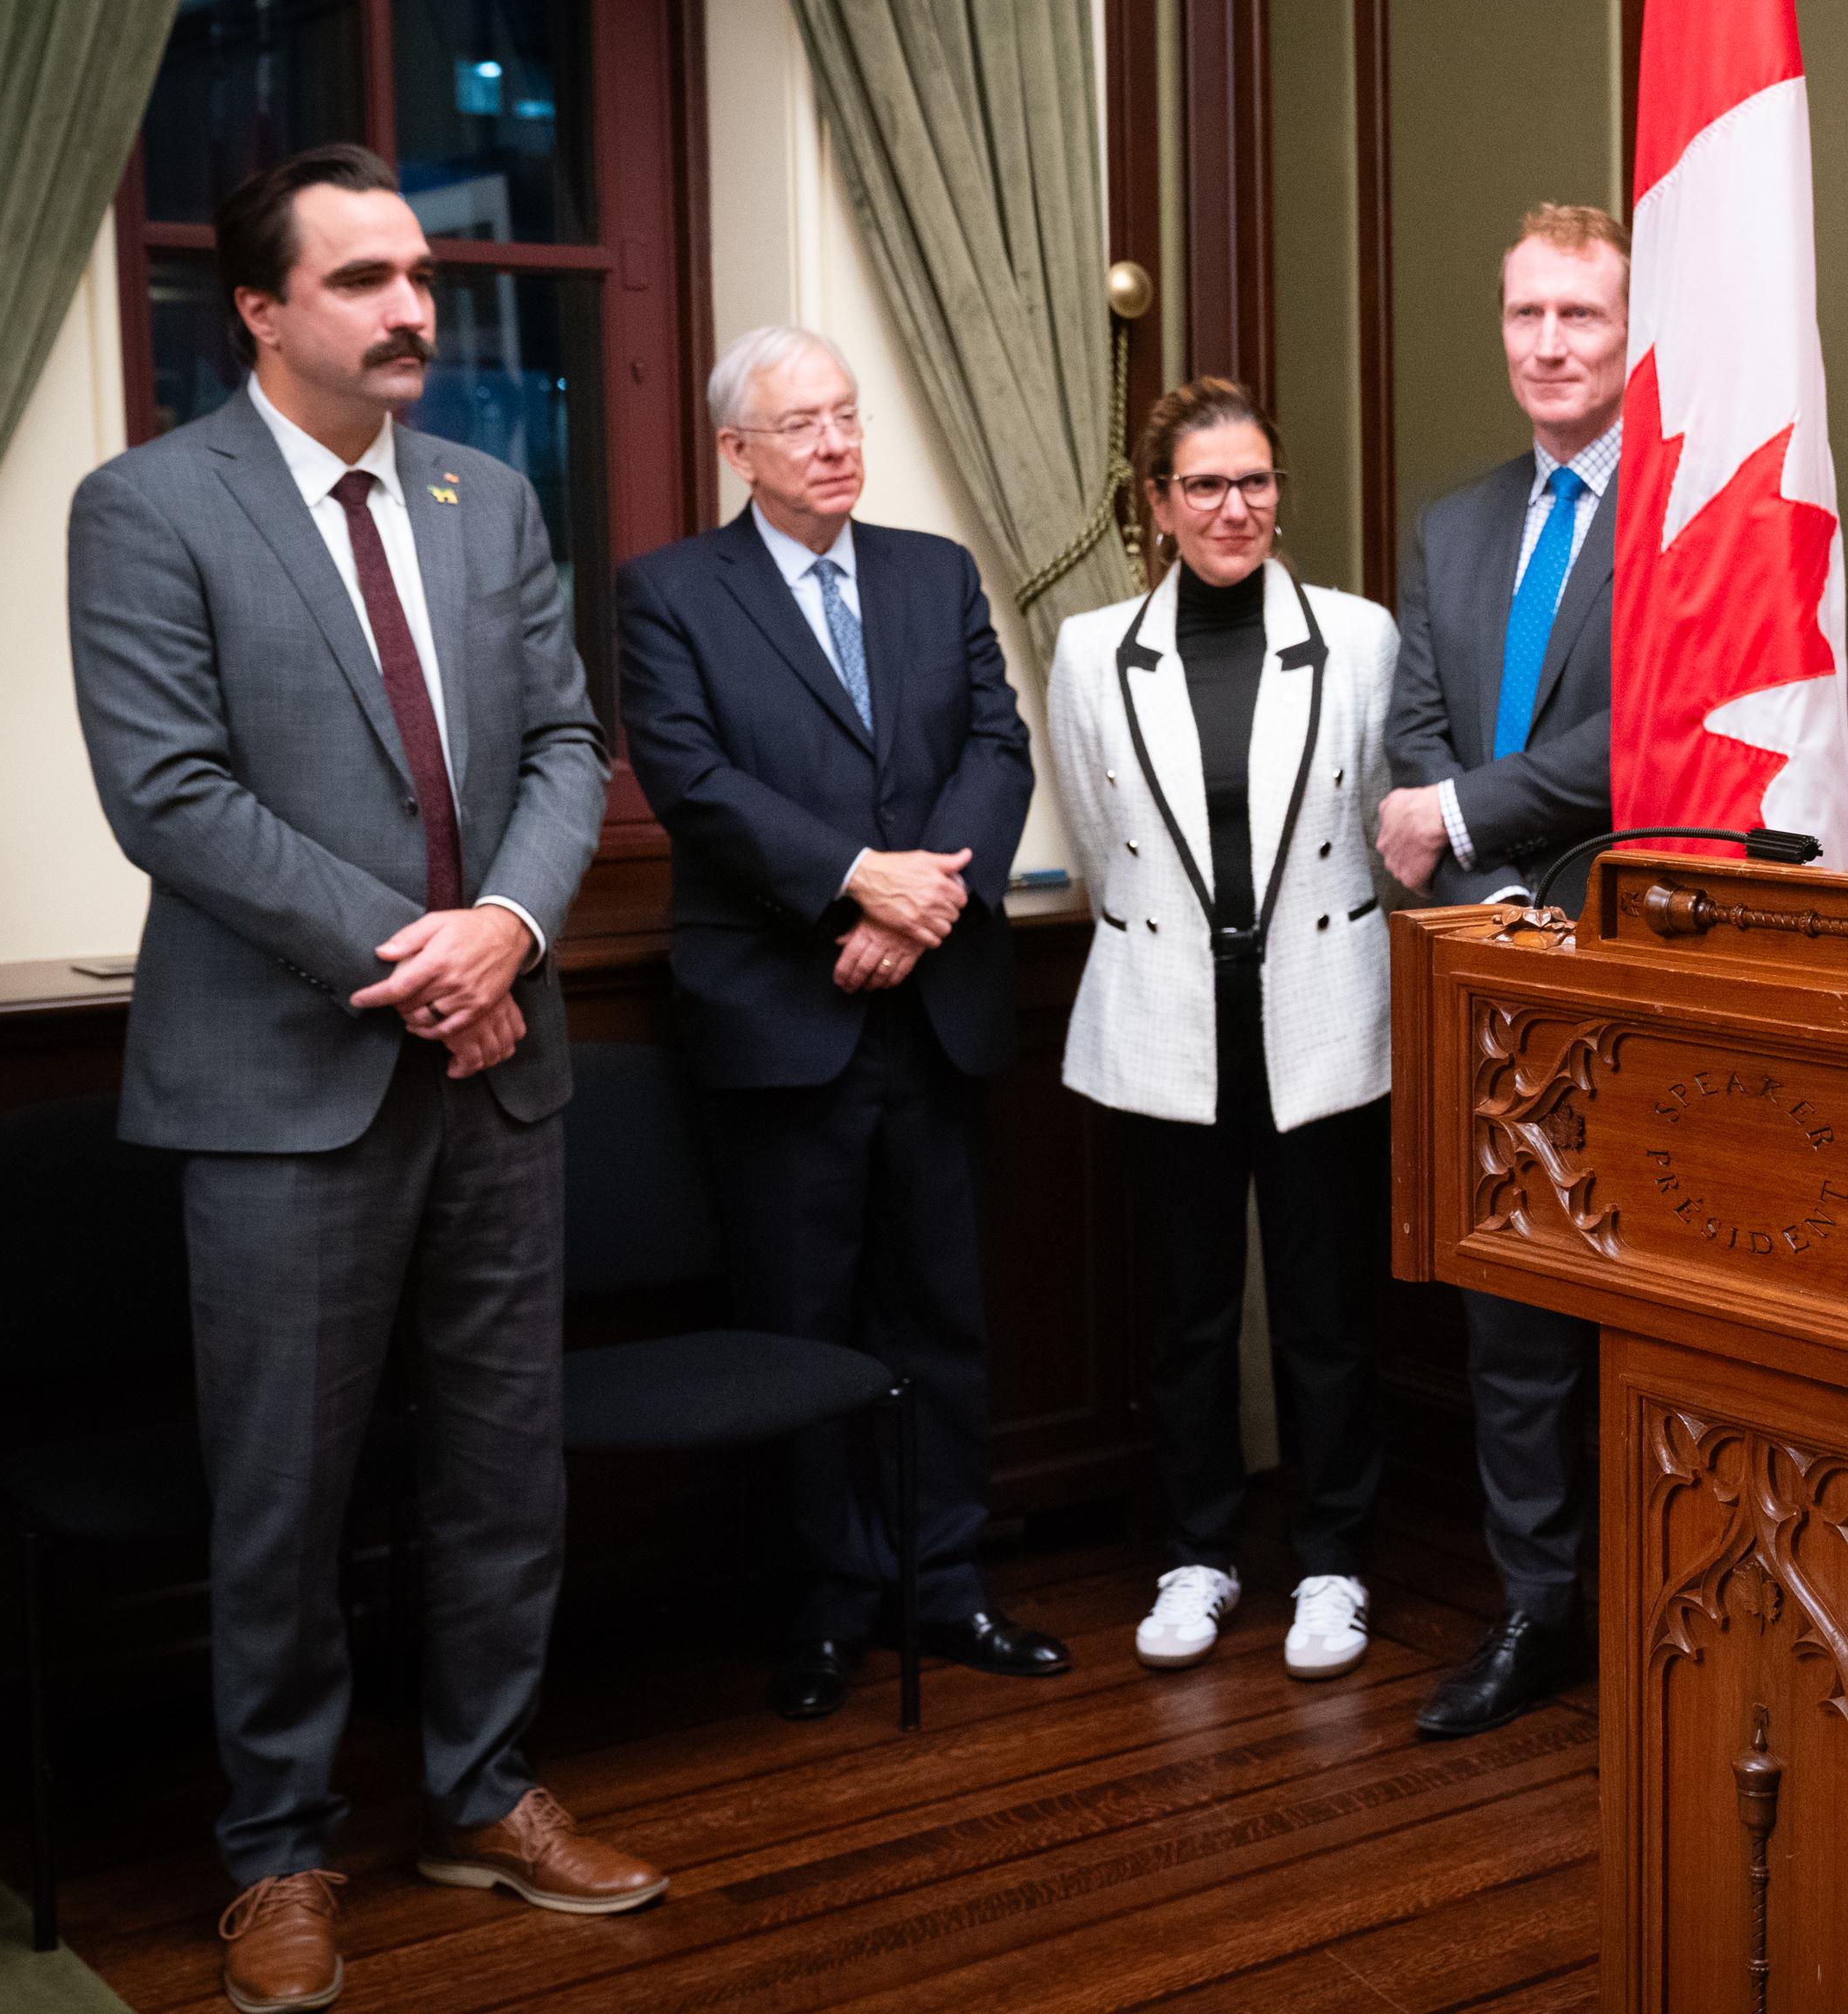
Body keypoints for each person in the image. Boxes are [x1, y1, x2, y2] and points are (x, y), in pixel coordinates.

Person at [68, 144, 654, 2014]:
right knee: (284, 1490)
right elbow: (170, 794)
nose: (413, 308)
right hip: (280, 1084)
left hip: (505, 1066)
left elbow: (569, 741)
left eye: (415, 273)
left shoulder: (490, 497)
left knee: (503, 1472)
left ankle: (482, 1791)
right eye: (363, 281)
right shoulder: (149, 506)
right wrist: (424, 964)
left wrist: (506, 926)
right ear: (260, 309)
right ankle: (279, 1851)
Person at [617, 326, 1066, 1722]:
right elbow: (689, 776)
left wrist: (917, 903)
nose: (834, 441)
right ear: (735, 451)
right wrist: (848, 886)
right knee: (801, 1328)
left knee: (941, 1314)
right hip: (780, 1017)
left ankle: (948, 1584)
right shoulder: (671, 592)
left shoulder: (933, 575)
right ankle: (824, 1606)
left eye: (847, 414)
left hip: (933, 1008)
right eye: (799, 423)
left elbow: (999, 746)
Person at [1048, 378, 1400, 1681]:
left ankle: (1334, 1562)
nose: (1233, 507)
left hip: (1321, 1011)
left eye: (1254, 481)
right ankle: (1196, 1553)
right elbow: (1103, 843)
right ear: (1157, 506)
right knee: (1187, 1315)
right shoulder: (1094, 652)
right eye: (1204, 485)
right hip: (1166, 1015)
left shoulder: (1360, 637)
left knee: (1327, 1313)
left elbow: (1378, 822)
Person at [1379, 203, 1628, 1738]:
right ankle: (1538, 1608)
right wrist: (1484, 888)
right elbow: (1415, 737)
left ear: (1627, 337)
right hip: (1486, 974)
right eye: (1526, 315)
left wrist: (1469, 813)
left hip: (1637, 963)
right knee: (1509, 1319)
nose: (1547, 345)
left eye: (1580, 319)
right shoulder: (1452, 524)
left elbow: (1652, 733)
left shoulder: (1690, 518)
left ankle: (1662, 1597)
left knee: (1637, 1305)